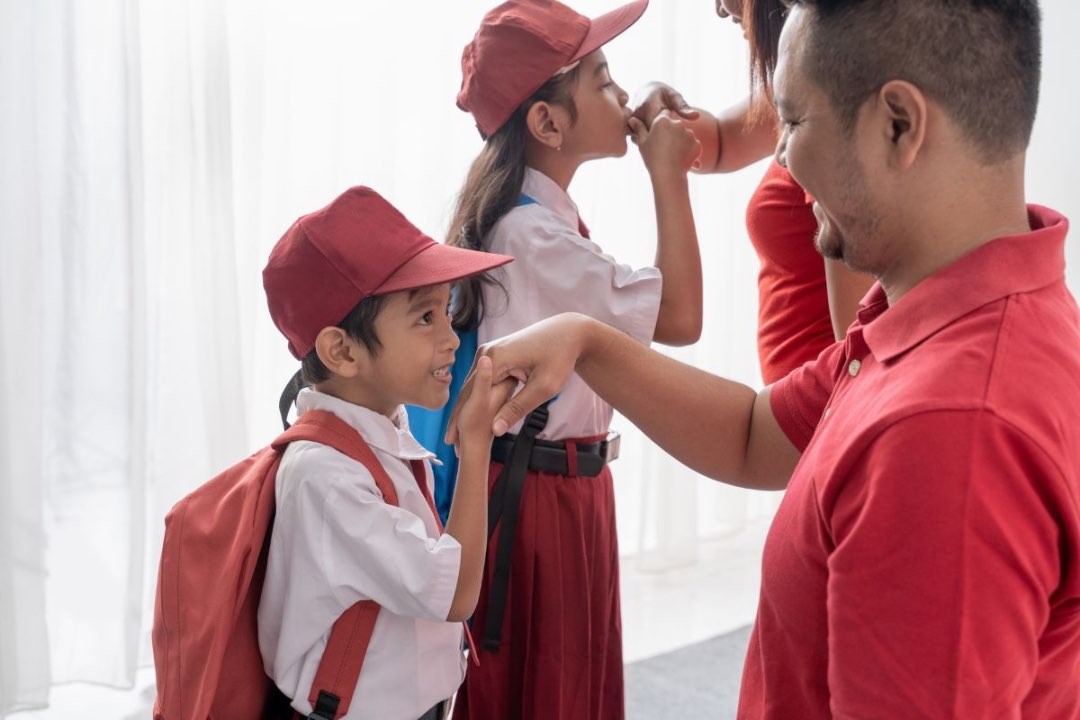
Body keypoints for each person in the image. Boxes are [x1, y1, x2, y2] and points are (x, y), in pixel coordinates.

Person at [450, 0, 1080, 717]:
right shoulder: (927, 324)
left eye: (796, 123)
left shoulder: (947, 433)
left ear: (898, 126)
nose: (780, 157)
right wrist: (588, 341)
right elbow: (753, 433)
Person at [445, 1, 703, 717]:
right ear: (548, 124)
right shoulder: (533, 237)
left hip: (564, 489)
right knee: (556, 692)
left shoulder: (537, 221)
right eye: (603, 80)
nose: (622, 97)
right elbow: (681, 317)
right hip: (543, 503)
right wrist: (667, 176)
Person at [257, 186, 516, 720]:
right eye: (425, 318)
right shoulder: (325, 474)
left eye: (446, 311)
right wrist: (475, 444)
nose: (450, 338)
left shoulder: (382, 430)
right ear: (343, 350)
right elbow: (456, 595)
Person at [634, 0, 874, 383]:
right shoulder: (800, 89)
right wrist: (652, 96)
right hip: (804, 411)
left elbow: (859, 338)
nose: (718, 9)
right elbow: (721, 143)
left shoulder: (830, 108)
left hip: (826, 411)